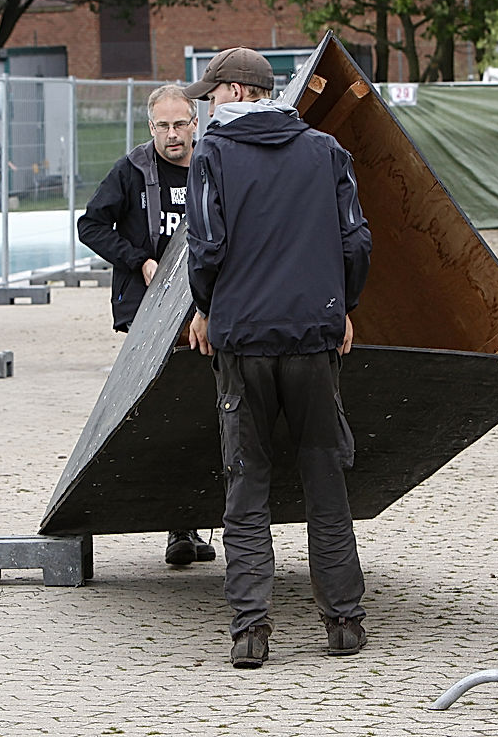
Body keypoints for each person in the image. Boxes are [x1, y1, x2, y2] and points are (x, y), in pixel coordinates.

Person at [183, 47, 372, 669]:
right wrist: (341, 305)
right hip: (313, 334)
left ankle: (250, 629)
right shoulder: (325, 151)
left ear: (237, 92)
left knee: (248, 480)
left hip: (242, 337)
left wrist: (208, 308)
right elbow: (355, 239)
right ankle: (343, 620)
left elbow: (206, 243)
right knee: (324, 474)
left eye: (212, 94)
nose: (207, 106)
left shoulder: (214, 153)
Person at [76, 84, 217, 568]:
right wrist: (139, 261)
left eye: (181, 124)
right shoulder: (133, 171)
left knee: (209, 418)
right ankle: (178, 526)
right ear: (150, 126)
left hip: (207, 311)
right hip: (150, 318)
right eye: (163, 126)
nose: (173, 135)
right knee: (166, 420)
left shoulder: (214, 162)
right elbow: (90, 225)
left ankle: (198, 519)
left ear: (195, 123)